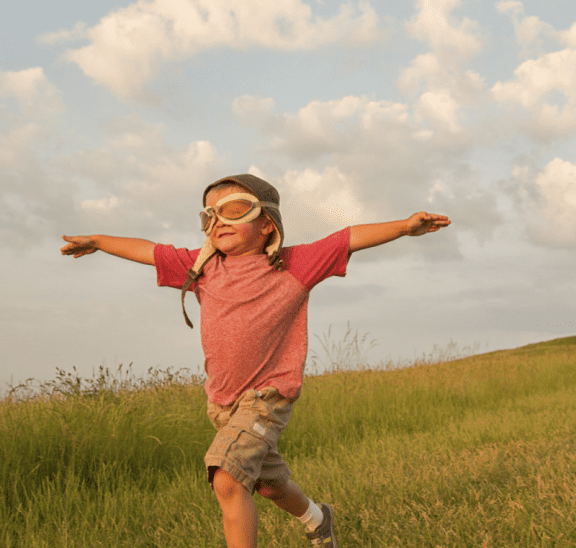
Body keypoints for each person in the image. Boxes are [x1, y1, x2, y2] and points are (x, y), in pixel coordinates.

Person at [61, 174, 451, 548]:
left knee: (228, 479)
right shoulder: (201, 267)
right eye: (209, 214)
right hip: (222, 403)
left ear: (266, 222)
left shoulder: (295, 264)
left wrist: (403, 226)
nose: (218, 220)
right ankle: (318, 520)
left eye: (232, 209)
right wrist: (97, 240)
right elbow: (148, 250)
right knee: (268, 484)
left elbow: (346, 238)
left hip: (268, 397)